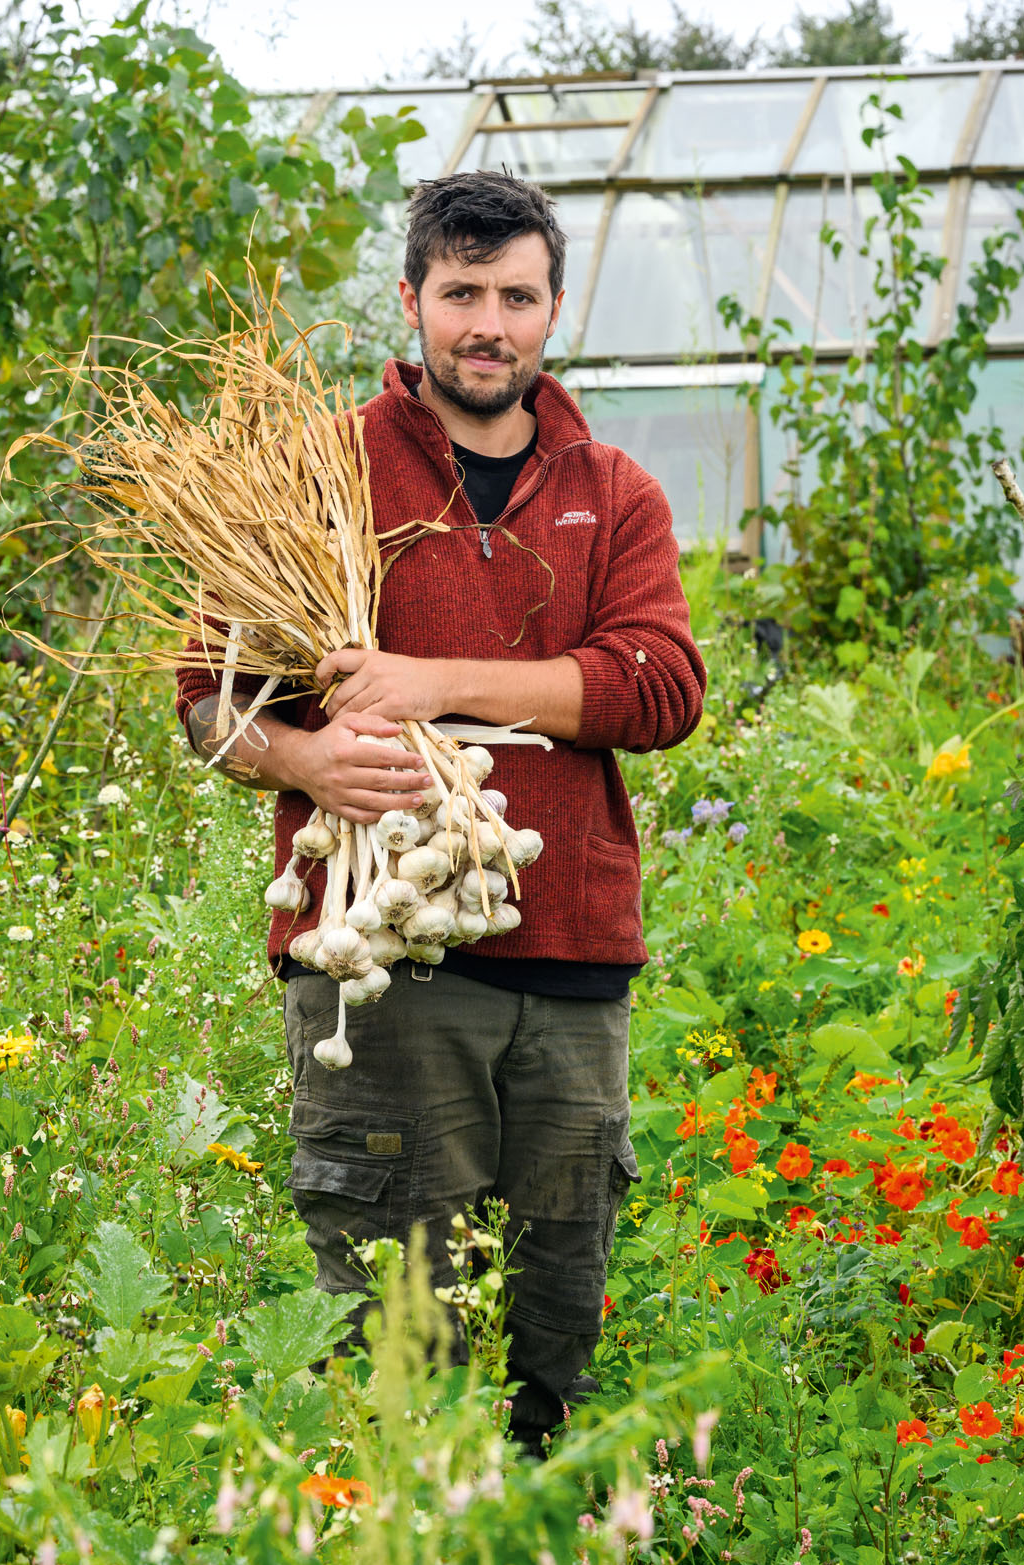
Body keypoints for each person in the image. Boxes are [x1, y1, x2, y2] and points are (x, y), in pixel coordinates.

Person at [177, 171, 705, 1453]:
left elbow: (660, 686)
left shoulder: (612, 489)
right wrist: (303, 763)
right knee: (397, 1338)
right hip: (380, 966)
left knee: (551, 1323)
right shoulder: (318, 474)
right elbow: (206, 698)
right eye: (460, 293)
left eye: (515, 296)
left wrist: (435, 681)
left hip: (569, 963)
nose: (488, 323)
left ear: (553, 310)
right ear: (410, 302)